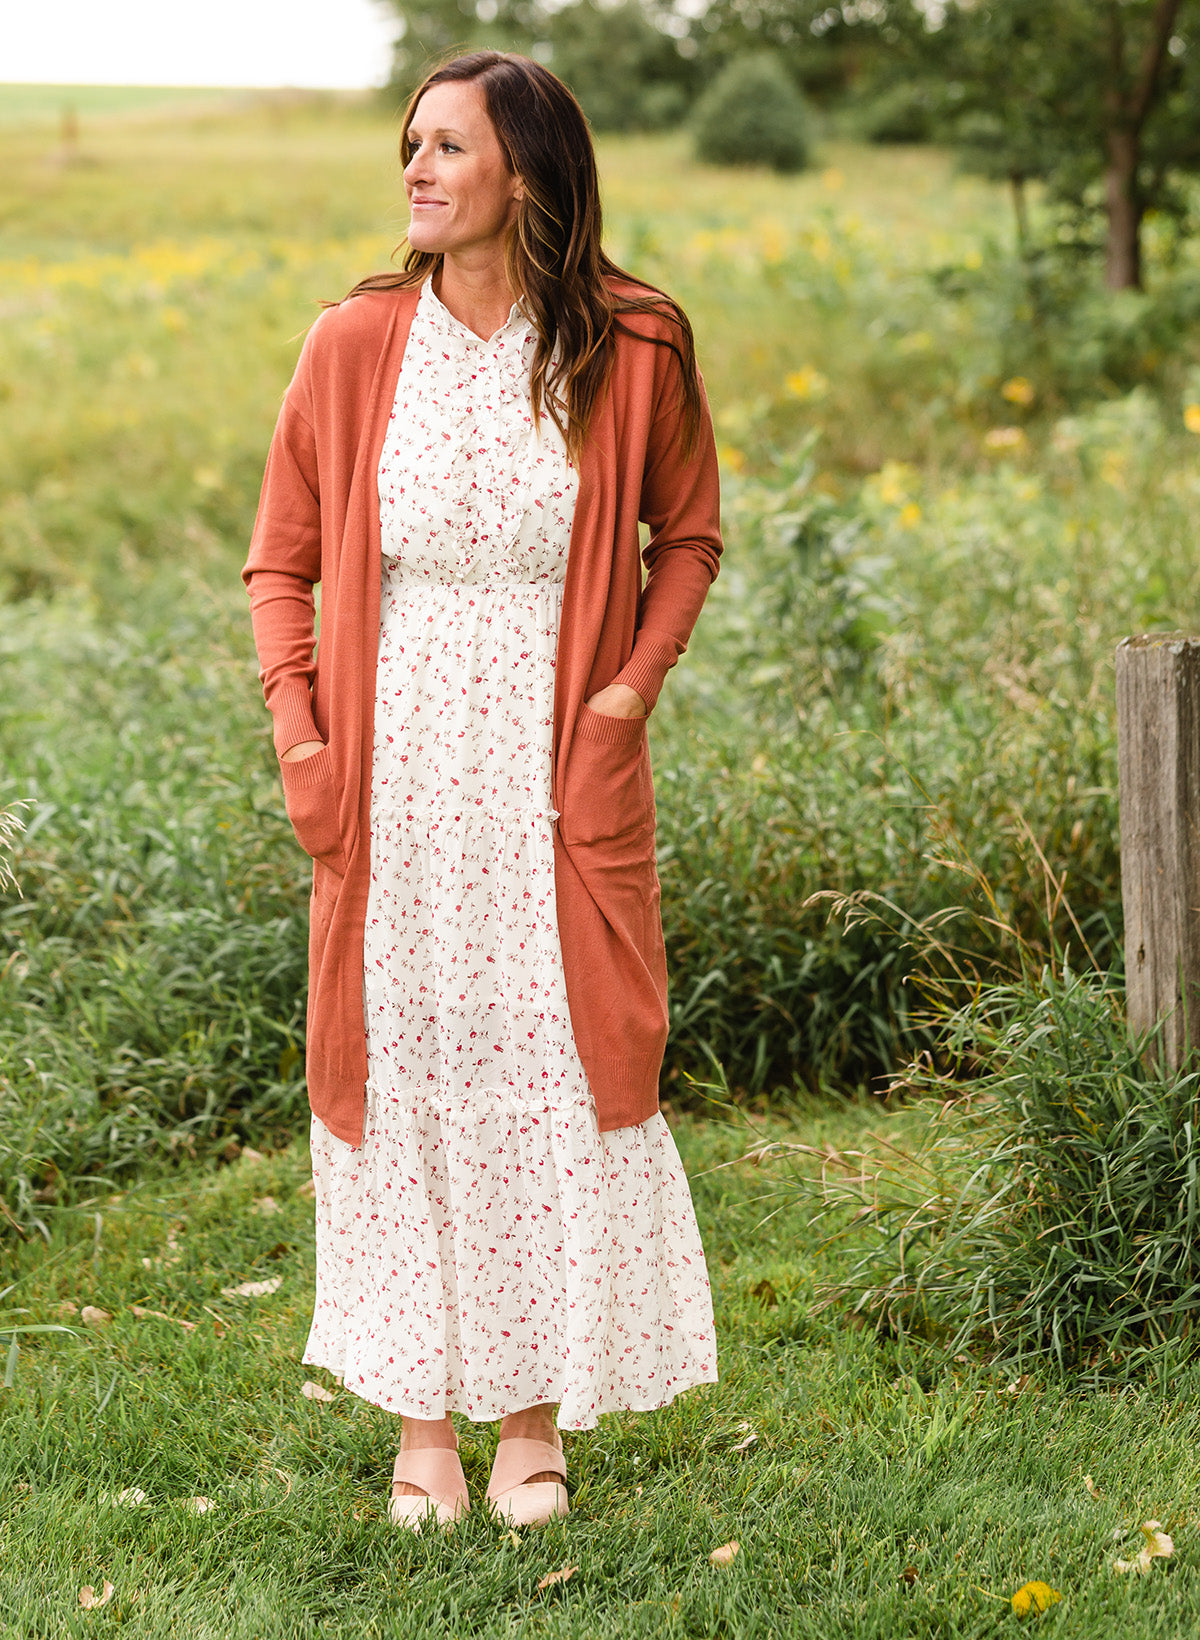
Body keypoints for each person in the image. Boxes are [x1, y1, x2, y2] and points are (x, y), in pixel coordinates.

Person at [241, 49, 723, 1533]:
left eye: (447, 145)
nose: (417, 169)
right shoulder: (354, 341)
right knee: (402, 1070)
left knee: (548, 1068)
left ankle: (532, 1423)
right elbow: (279, 562)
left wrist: (626, 697)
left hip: (551, 776)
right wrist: (305, 741)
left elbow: (688, 538)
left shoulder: (632, 343)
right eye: (410, 145)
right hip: (396, 774)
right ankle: (420, 1425)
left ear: (527, 167)